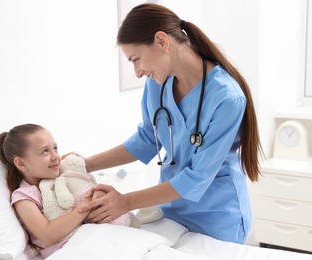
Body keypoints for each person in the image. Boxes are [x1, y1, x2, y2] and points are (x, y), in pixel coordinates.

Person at [78, 3, 263, 244]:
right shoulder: (157, 83)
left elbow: (197, 176)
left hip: (216, 216)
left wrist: (126, 202)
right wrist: (83, 165)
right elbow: (147, 139)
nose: (137, 72)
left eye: (136, 59)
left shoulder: (227, 98)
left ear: (162, 41)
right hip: (169, 209)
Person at [0, 124, 97, 258]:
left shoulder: (63, 177)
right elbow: (48, 234)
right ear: (21, 164)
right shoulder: (24, 197)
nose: (55, 156)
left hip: (90, 237)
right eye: (45, 151)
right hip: (68, 251)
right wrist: (88, 204)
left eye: (55, 148)